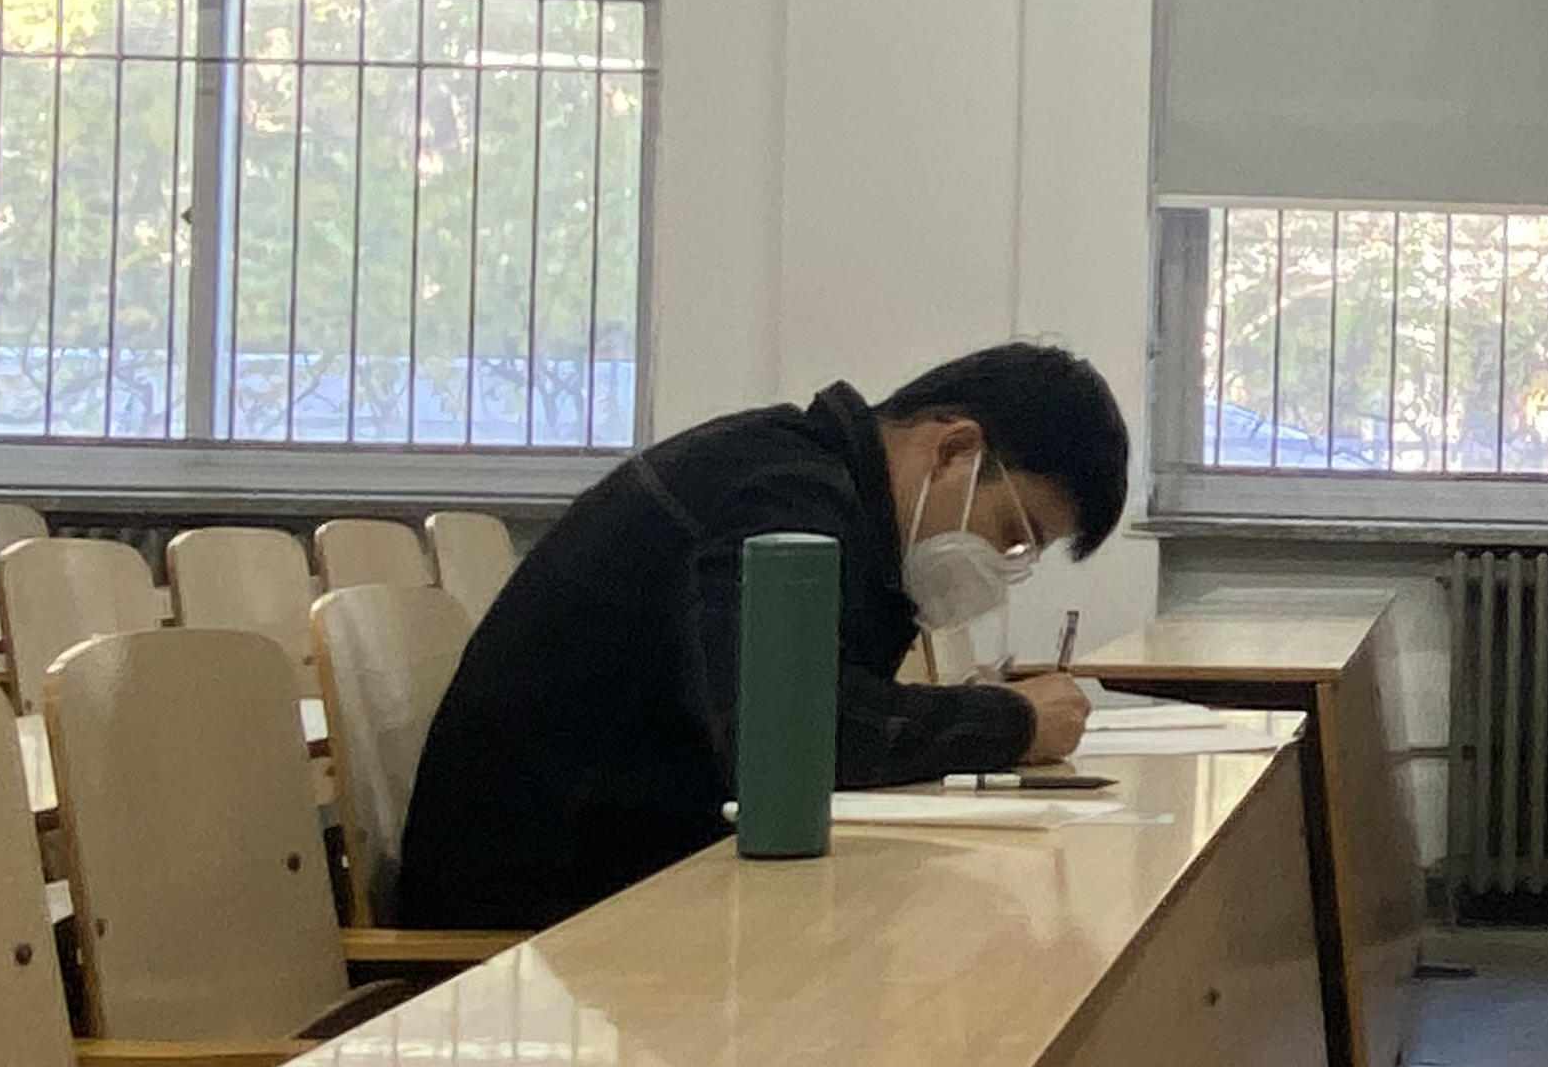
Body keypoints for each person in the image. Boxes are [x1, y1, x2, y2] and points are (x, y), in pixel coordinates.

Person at [400, 342, 1130, 933]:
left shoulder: (818, 489)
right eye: (1012, 534)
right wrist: (1015, 721)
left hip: (633, 886)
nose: (1004, 568)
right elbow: (792, 745)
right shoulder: (775, 496)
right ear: (953, 451)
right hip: (541, 923)